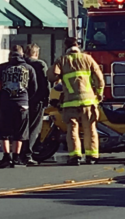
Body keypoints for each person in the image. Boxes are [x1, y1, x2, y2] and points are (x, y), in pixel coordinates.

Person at [47, 37, 105, 166]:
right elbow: (100, 79)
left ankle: (75, 156)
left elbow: (51, 76)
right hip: (88, 101)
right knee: (90, 128)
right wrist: (99, 94)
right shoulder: (88, 58)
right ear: (77, 45)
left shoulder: (62, 60)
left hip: (70, 102)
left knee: (72, 129)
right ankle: (92, 156)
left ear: (65, 47)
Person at [0, 45, 37, 168]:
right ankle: (16, 158)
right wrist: (26, 98)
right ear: (22, 55)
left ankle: (6, 157)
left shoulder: (2, 68)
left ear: (10, 55)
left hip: (6, 102)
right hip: (22, 103)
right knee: (20, 132)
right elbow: (34, 88)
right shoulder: (29, 68)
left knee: (4, 132)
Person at [22, 43, 50, 165]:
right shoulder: (40, 64)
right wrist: (47, 98)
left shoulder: (21, 65)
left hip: (21, 100)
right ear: (36, 53)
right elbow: (46, 83)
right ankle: (27, 154)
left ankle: (17, 153)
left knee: (21, 128)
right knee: (34, 128)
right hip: (36, 100)